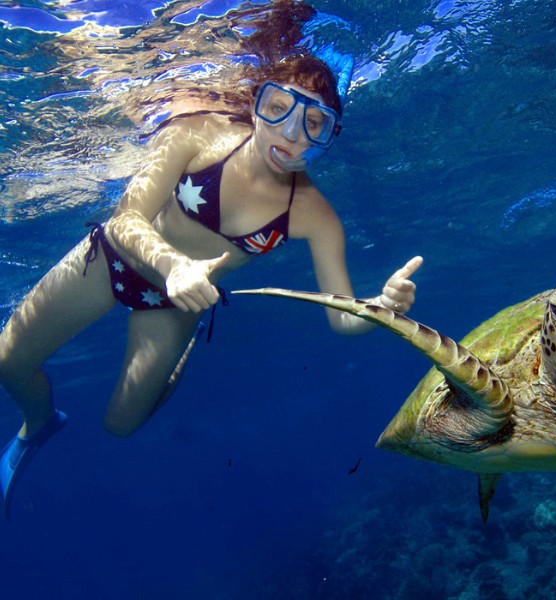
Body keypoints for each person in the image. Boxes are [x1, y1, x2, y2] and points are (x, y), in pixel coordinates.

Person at [0, 0, 422, 516]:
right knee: (7, 362)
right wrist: (174, 265)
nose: (290, 136)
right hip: (111, 257)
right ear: (256, 102)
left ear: (329, 136)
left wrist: (381, 306)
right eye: (277, 109)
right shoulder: (197, 133)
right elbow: (124, 218)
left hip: (176, 304)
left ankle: (183, 351)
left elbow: (341, 319)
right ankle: (37, 426)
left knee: (120, 425)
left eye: (313, 124)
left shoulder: (315, 215)